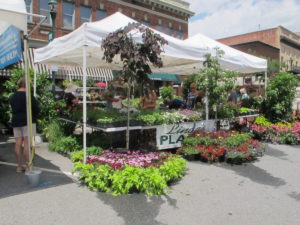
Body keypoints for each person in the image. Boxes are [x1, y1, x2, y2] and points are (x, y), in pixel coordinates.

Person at [9, 77, 40, 173]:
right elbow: (37, 110)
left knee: (18, 143)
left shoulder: (12, 96)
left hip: (16, 121)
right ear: (27, 85)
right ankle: (28, 166)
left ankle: (19, 166)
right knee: (27, 144)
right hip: (28, 121)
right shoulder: (28, 96)